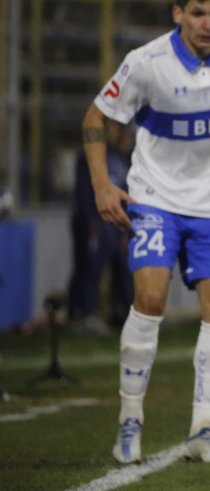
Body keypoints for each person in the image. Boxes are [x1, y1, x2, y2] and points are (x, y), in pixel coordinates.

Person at [82, 0, 210, 465]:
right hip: (155, 197)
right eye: (197, 13)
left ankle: (202, 430)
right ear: (177, 15)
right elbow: (95, 118)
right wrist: (102, 186)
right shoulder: (146, 63)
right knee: (150, 298)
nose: (207, 23)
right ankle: (130, 420)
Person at [68, 121, 135, 332]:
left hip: (115, 224)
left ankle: (124, 313)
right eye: (113, 129)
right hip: (95, 223)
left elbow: (124, 193)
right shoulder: (88, 157)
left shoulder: (120, 158)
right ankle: (82, 314)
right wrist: (90, 222)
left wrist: (126, 227)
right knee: (89, 268)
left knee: (122, 268)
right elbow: (82, 193)